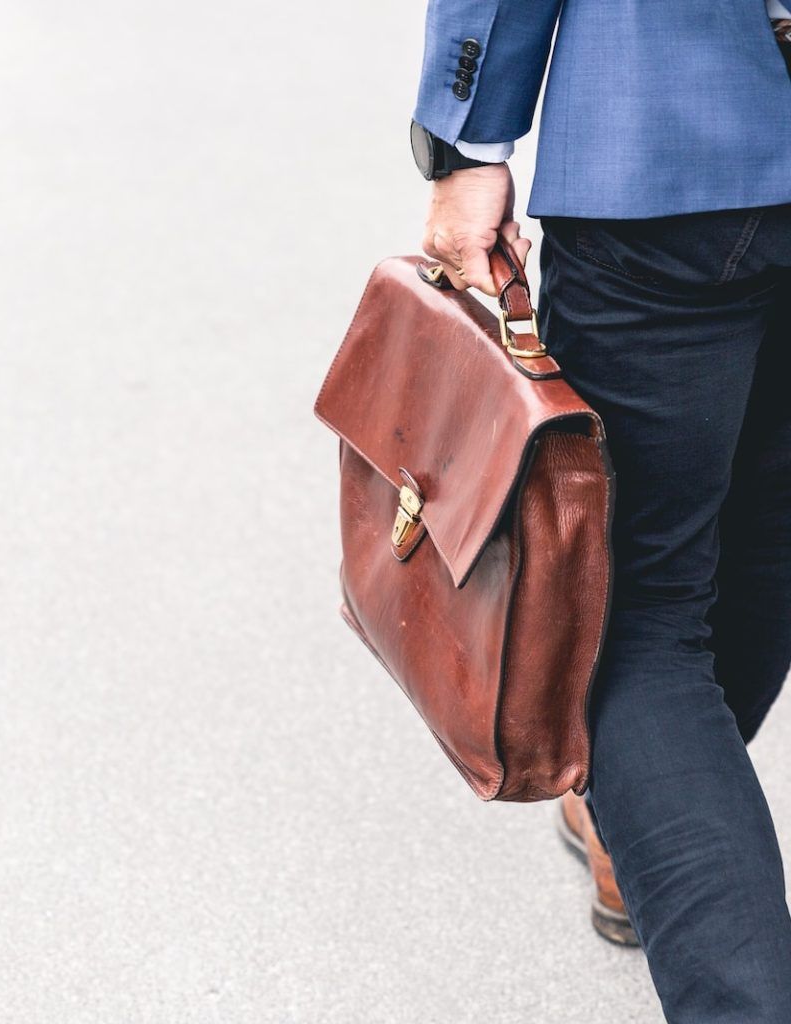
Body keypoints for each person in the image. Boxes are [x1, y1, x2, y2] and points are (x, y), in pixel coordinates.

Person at [409, 2, 791, 1020]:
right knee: (768, 548)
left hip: (670, 134)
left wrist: (467, 139)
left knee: (633, 619)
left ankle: (665, 829)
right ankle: (647, 814)